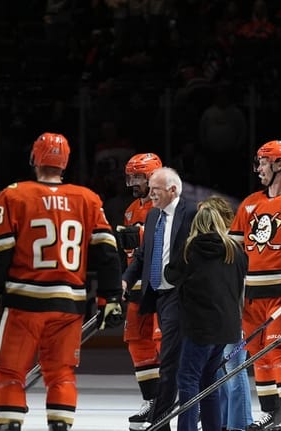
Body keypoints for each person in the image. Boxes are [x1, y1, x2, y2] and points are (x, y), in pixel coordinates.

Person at [0, 132, 124, 431]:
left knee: (10, 373)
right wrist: (110, 297)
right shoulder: (87, 198)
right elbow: (107, 253)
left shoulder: (14, 194)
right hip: (67, 305)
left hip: (23, 302)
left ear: (34, 158)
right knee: (61, 375)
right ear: (65, 162)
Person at [228, 140, 281, 431]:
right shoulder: (250, 203)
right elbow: (234, 249)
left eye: (263, 162)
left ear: (279, 164)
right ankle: (271, 412)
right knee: (257, 352)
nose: (258, 167)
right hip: (251, 293)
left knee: (280, 350)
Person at [122, 166, 197, 431]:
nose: (149, 193)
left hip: (181, 295)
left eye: (154, 188)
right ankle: (164, 411)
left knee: (170, 359)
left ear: (171, 190)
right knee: (164, 356)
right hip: (156, 294)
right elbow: (142, 255)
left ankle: (162, 418)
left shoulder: (192, 212)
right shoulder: (152, 215)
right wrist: (125, 279)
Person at [164, 200, 248, 431]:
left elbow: (170, 275)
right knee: (209, 380)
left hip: (199, 327)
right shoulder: (235, 250)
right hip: (227, 327)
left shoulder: (191, 249)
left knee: (188, 378)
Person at [117, 153, 163, 430]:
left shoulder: (165, 205)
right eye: (130, 176)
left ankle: (171, 399)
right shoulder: (131, 208)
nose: (133, 182)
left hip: (158, 285)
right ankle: (152, 400)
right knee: (137, 342)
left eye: (138, 177)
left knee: (162, 344)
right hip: (135, 286)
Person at [200, 196, 253, 431]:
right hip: (219, 317)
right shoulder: (215, 246)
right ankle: (222, 421)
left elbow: (241, 285)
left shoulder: (234, 246)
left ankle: (240, 424)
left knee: (234, 369)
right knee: (219, 370)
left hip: (236, 316)